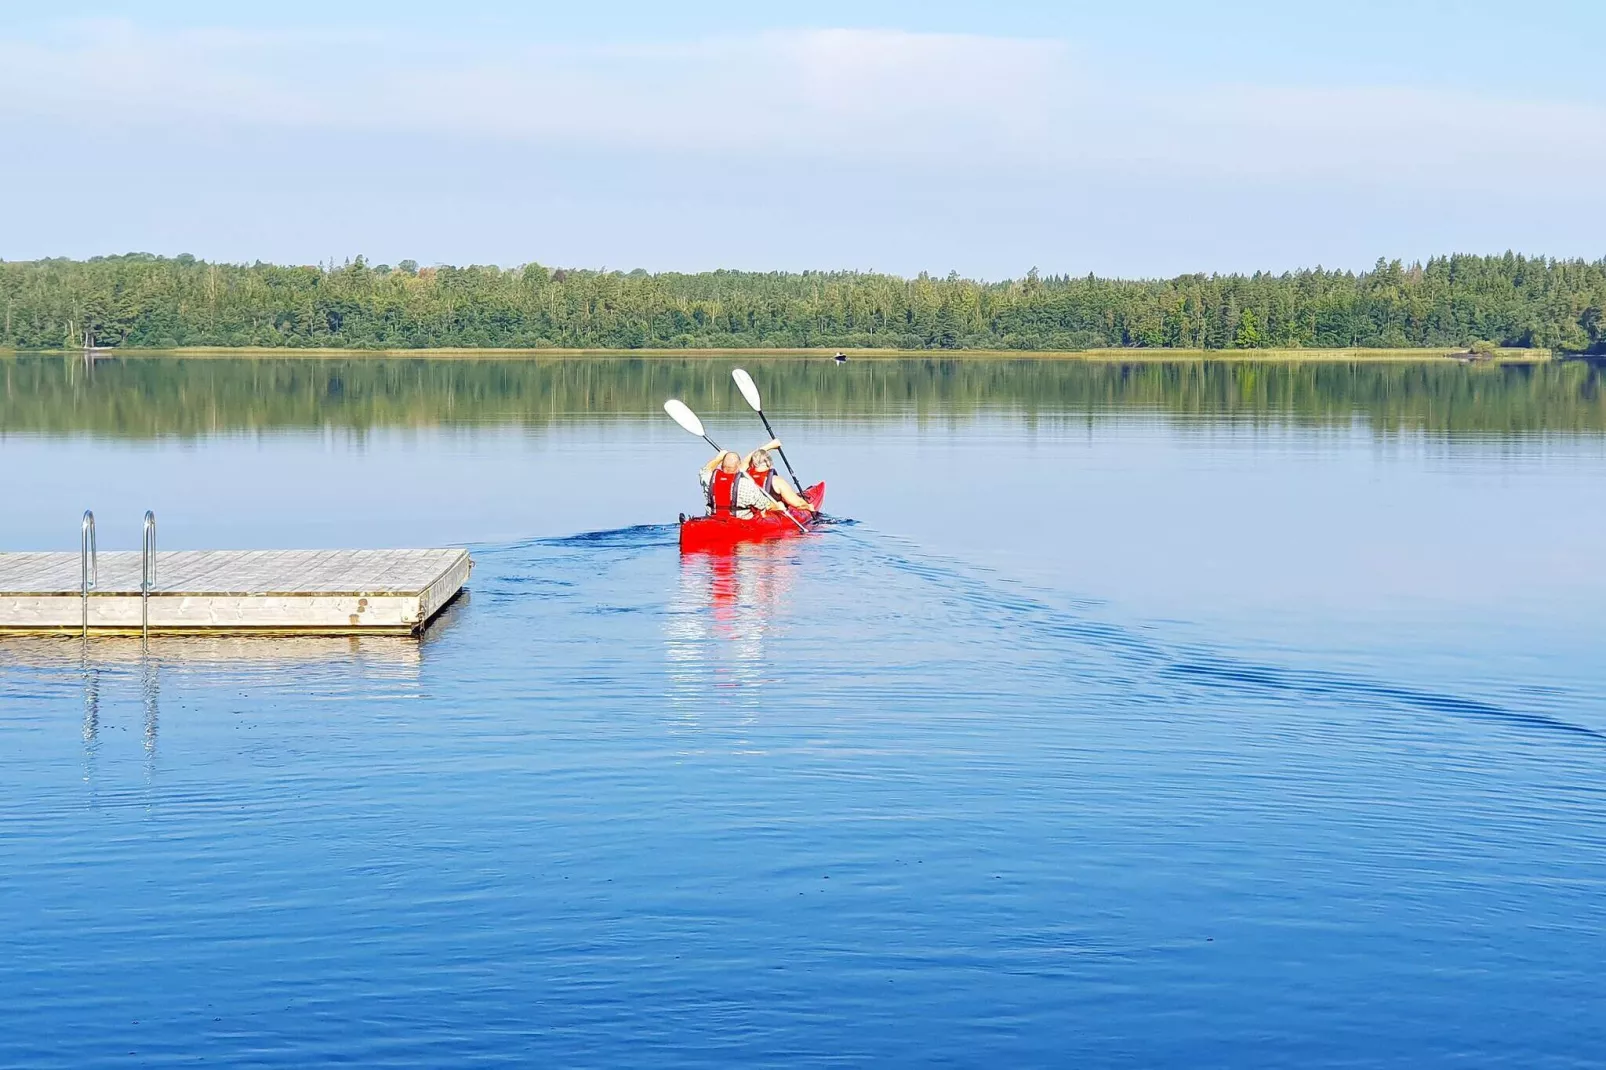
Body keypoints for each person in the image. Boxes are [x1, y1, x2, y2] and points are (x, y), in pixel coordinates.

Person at [743, 441, 814, 514]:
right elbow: (797, 504)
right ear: (769, 463)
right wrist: (808, 506)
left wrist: (770, 446)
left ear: (752, 463)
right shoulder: (777, 481)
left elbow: (745, 461)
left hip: (748, 513)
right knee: (781, 504)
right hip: (768, 514)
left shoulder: (744, 475)